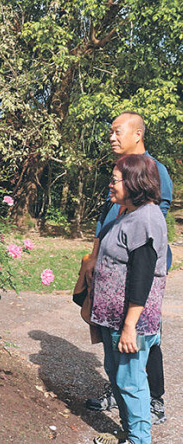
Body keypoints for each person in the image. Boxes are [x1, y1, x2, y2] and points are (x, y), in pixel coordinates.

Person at [82, 111, 172, 427]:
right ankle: (120, 394)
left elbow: (149, 228)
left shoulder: (155, 171)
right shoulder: (118, 170)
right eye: (110, 132)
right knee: (115, 347)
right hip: (111, 264)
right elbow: (103, 218)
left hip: (139, 271)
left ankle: (153, 401)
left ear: (137, 134)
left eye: (117, 131)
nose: (111, 137)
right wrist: (94, 257)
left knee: (143, 338)